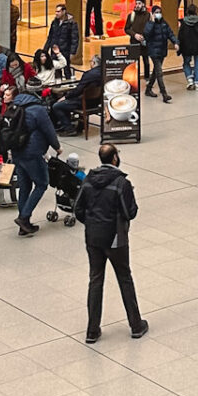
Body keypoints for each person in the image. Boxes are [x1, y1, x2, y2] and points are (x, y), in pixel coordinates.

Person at [74, 142, 149, 342]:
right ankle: (136, 325)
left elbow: (78, 209)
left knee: (95, 280)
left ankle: (92, 330)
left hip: (93, 238)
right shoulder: (121, 183)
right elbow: (130, 212)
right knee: (124, 278)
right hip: (116, 239)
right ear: (114, 158)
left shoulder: (89, 179)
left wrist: (92, 224)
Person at [6, 83, 61, 234]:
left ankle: (23, 225)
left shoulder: (14, 106)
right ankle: (24, 218)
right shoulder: (38, 109)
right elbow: (48, 130)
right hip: (33, 152)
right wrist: (57, 146)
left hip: (17, 150)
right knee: (42, 183)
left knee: (24, 187)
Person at [144, 2, 177, 102]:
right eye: (156, 12)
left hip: (162, 50)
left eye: (159, 12)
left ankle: (148, 89)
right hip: (153, 51)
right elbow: (147, 34)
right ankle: (164, 94)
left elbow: (170, 34)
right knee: (159, 72)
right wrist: (153, 22)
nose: (158, 14)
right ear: (152, 14)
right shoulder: (149, 24)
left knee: (156, 72)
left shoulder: (164, 23)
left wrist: (175, 42)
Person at [178, 0, 198, 89]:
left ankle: (190, 78)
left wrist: (179, 47)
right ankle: (197, 83)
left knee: (186, 63)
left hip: (186, 47)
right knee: (197, 64)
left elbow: (180, 36)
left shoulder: (183, 23)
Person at [44, 2, 80, 70]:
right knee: (55, 69)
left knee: (66, 69)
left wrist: (72, 52)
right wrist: (45, 49)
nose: (56, 13)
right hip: (54, 50)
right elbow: (50, 37)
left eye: (58, 11)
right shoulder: (54, 22)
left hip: (65, 51)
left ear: (64, 11)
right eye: (56, 11)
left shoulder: (71, 23)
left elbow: (75, 39)